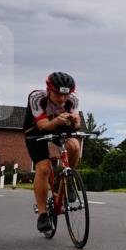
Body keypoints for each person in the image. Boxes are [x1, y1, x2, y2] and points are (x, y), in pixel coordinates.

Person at [23, 72, 81, 232]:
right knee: (44, 168)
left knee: (75, 145)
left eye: (66, 95)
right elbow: (43, 126)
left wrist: (76, 123)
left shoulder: (73, 99)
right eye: (58, 94)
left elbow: (75, 125)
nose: (62, 99)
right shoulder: (36, 97)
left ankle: (68, 180)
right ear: (49, 90)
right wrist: (56, 120)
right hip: (36, 130)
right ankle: (42, 214)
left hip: (59, 127)